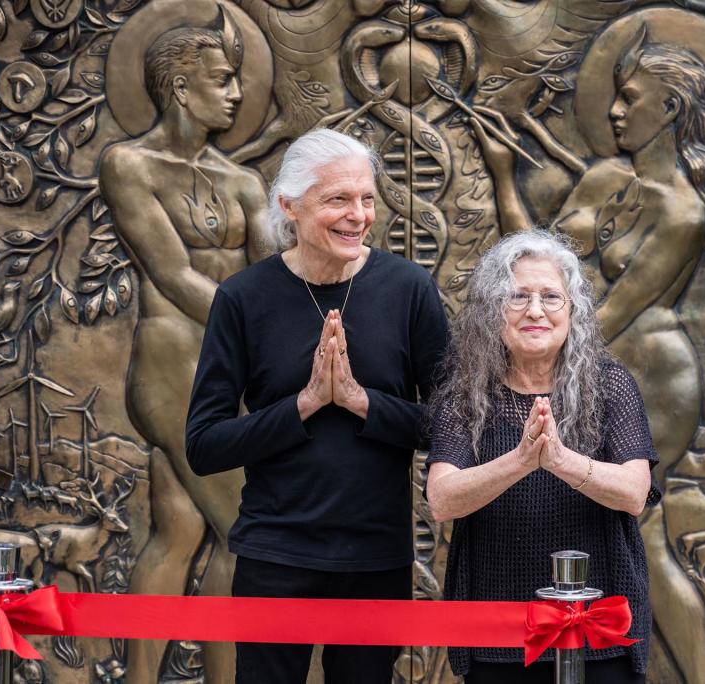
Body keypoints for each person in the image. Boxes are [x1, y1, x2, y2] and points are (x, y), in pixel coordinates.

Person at [473, 29, 705, 682]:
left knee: (637, 527)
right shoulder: (605, 176)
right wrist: (505, 174)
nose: (615, 111)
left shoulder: (685, 214)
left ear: (669, 109)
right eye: (614, 97)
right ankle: (570, 657)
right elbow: (530, 266)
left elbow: (604, 318)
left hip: (650, 376)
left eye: (630, 98)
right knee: (600, 518)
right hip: (584, 370)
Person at [185, 128, 450, 683]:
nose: (359, 215)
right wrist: (303, 405)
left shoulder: (408, 289)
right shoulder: (243, 298)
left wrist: (359, 401)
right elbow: (204, 445)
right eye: (338, 200)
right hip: (275, 555)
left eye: (367, 199)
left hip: (376, 557)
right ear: (290, 206)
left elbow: (452, 425)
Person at [98, 19, 269, 683]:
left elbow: (270, 275)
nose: (236, 93)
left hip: (229, 370)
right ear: (179, 85)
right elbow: (170, 273)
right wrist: (262, 334)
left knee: (179, 532)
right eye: (222, 80)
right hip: (176, 364)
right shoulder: (128, 164)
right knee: (246, 531)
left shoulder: (244, 181)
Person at [426, 230, 660, 684]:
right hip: (496, 637)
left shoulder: (609, 387)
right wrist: (520, 459)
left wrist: (558, 460)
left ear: (573, 311)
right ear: (494, 312)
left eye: (551, 297)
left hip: (597, 634)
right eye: (518, 297)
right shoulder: (465, 395)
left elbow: (635, 493)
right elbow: (441, 499)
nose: (535, 310)